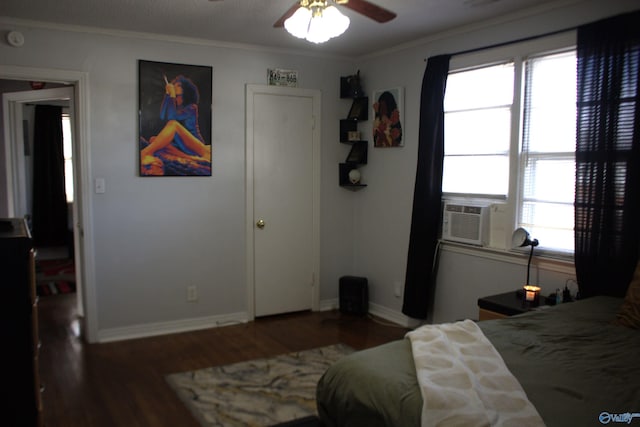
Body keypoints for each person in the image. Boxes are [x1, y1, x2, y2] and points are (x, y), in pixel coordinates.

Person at [140, 74, 210, 166]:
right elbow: (162, 116)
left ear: (186, 90)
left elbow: (173, 119)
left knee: (173, 124)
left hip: (195, 144)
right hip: (180, 145)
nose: (175, 87)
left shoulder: (192, 107)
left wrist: (172, 95)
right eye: (174, 85)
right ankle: (190, 158)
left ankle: (145, 153)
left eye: (179, 85)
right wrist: (167, 95)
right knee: (154, 139)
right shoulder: (174, 105)